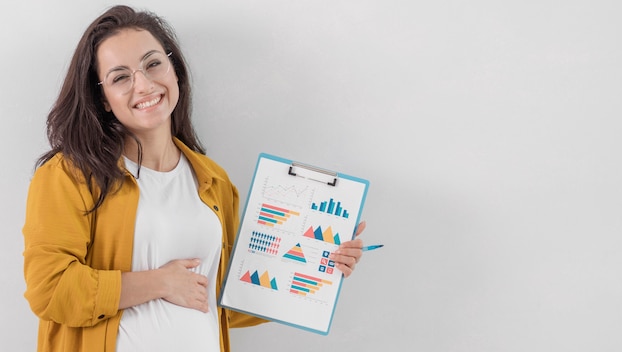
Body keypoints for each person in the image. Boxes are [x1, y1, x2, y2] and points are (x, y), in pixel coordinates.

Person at [22, 5, 366, 352]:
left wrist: (321, 262)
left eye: (153, 63)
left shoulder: (212, 179)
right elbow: (50, 290)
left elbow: (228, 302)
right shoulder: (70, 174)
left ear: (175, 72)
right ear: (104, 99)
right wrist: (158, 282)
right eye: (120, 77)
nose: (143, 84)